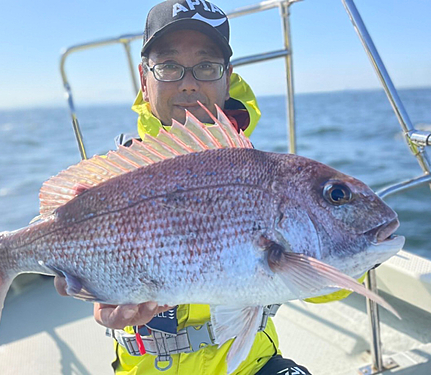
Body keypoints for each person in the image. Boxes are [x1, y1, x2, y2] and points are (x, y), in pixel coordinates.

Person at [55, 1, 353, 373]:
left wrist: (344, 245)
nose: (188, 82)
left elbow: (332, 285)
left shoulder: (266, 176)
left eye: (206, 65)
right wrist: (97, 290)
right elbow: (87, 268)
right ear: (143, 78)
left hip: (251, 365)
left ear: (227, 77)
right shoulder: (111, 179)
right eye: (168, 66)